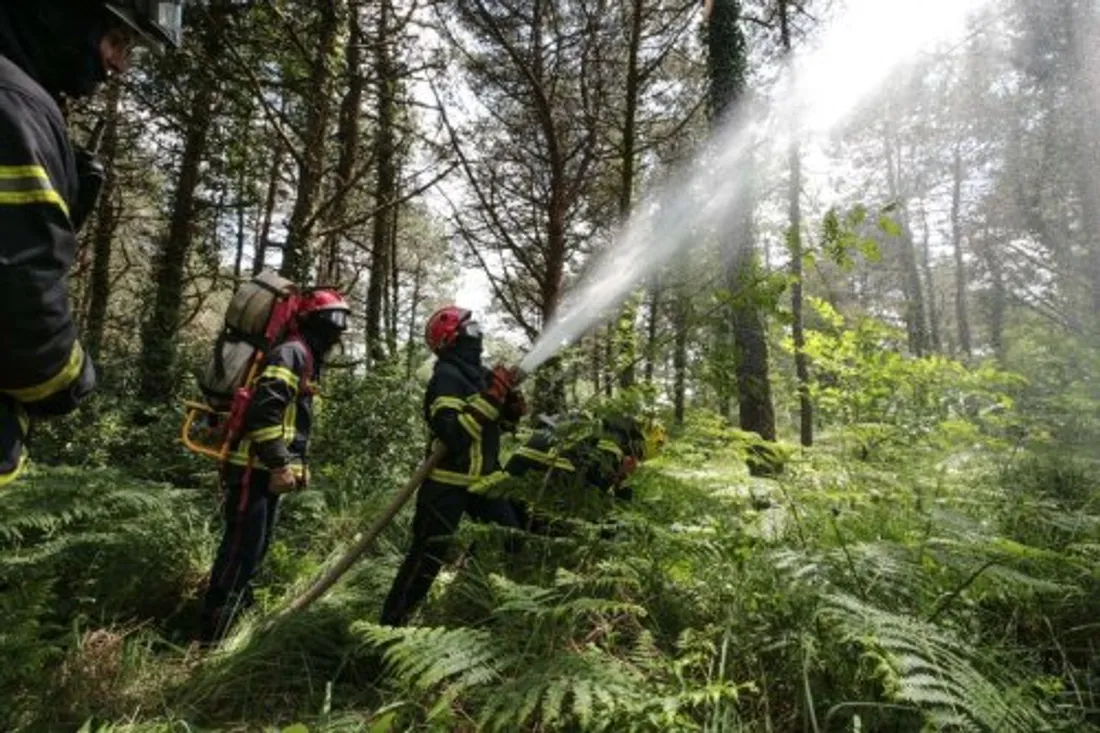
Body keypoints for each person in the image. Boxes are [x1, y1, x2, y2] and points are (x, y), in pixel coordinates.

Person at [0, 1, 185, 486]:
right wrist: (71, 378)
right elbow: (18, 293)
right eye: (116, 39)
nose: (120, 64)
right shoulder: (14, 108)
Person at [199, 289, 352, 644]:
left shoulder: (305, 357)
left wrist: (298, 463)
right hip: (253, 470)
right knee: (240, 550)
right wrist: (281, 462)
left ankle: (237, 617)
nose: (339, 331)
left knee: (255, 548)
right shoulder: (292, 353)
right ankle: (213, 633)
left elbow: (292, 422)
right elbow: (263, 412)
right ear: (314, 320)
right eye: (335, 320)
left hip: (265, 472)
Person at [380, 305, 527, 627]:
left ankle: (494, 610)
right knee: (425, 560)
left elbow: (492, 424)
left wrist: (510, 409)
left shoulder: (481, 374)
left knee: (513, 538)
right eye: (471, 330)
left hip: (484, 481)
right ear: (452, 340)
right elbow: (455, 436)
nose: (479, 335)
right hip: (446, 484)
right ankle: (389, 629)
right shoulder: (446, 378)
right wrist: (491, 398)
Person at [473, 412, 666, 535]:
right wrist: (621, 478)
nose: (636, 463)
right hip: (529, 486)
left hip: (518, 480)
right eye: (639, 458)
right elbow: (598, 502)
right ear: (636, 446)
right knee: (583, 526)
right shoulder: (609, 447)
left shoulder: (600, 430)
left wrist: (621, 477)